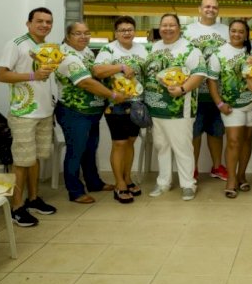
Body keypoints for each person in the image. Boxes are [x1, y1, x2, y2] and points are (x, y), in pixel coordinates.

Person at [0, 7, 58, 226]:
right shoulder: (16, 43)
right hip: (24, 112)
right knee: (21, 161)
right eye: (40, 21)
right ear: (28, 23)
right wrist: (33, 75)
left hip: (44, 112)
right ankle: (16, 207)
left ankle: (33, 199)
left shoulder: (45, 47)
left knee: (35, 158)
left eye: (48, 22)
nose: (44, 25)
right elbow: (0, 75)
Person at [54, 22, 123, 204]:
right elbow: (86, 82)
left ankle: (94, 183)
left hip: (91, 111)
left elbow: (97, 73)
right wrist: (113, 95)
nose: (83, 37)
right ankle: (75, 191)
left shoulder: (85, 52)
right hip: (74, 111)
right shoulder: (66, 56)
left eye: (86, 33)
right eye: (78, 33)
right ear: (68, 36)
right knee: (76, 151)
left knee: (90, 149)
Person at [144, 14, 207, 201]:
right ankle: (163, 181)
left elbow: (200, 74)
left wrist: (182, 89)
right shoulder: (155, 47)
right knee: (161, 146)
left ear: (179, 28)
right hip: (156, 108)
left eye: (172, 25)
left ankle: (188, 184)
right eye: (164, 25)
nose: (168, 28)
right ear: (159, 27)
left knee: (182, 147)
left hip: (179, 110)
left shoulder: (190, 49)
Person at [93, 16, 149, 204]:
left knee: (131, 142)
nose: (126, 32)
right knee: (119, 143)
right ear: (116, 33)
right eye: (122, 30)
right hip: (115, 104)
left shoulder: (142, 49)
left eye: (130, 29)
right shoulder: (108, 49)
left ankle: (127, 178)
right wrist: (121, 66)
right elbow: (98, 71)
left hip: (137, 103)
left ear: (135, 31)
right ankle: (119, 184)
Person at [207, 20, 252, 198]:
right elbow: (211, 81)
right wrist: (219, 103)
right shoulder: (219, 53)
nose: (237, 34)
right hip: (231, 107)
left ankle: (242, 175)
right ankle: (231, 179)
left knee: (247, 141)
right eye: (233, 31)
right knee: (234, 142)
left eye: (241, 31)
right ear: (229, 32)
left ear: (246, 34)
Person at [184, 0, 229, 181]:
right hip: (193, 92)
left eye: (214, 7)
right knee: (193, 134)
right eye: (207, 6)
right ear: (199, 9)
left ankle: (217, 167)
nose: (211, 9)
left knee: (216, 132)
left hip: (218, 93)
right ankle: (192, 169)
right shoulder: (187, 31)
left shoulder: (226, 30)